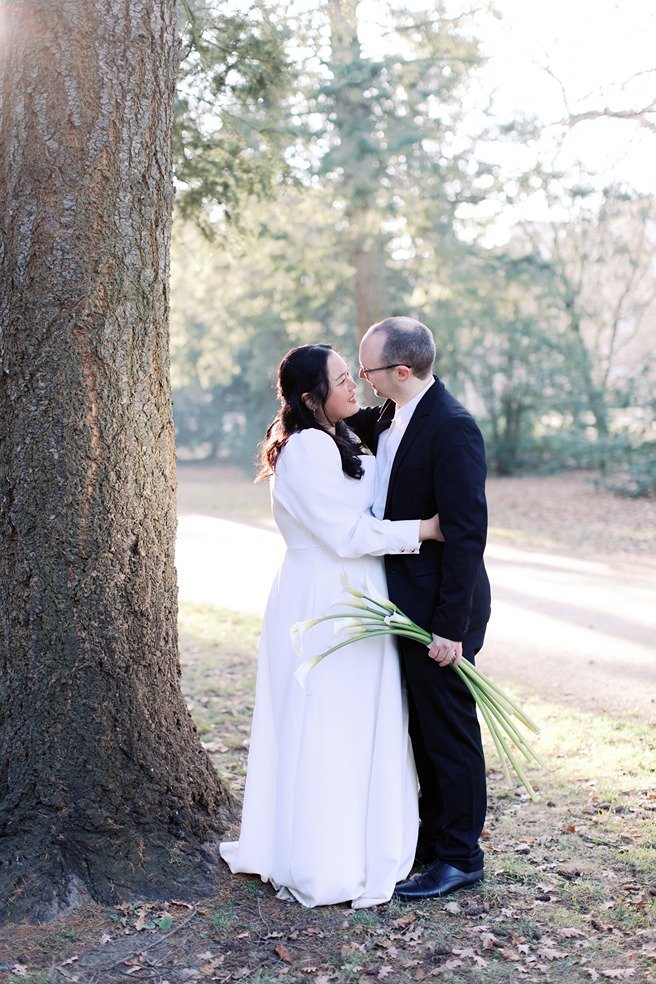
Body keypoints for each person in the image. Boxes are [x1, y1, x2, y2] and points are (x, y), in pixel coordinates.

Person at [219, 343, 444, 908]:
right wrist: (425, 530)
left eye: (352, 375)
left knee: (363, 719)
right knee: (326, 722)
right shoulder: (303, 452)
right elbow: (344, 534)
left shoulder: (344, 439)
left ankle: (368, 845)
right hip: (322, 598)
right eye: (342, 380)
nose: (353, 387)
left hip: (361, 592)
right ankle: (324, 856)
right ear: (310, 397)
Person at [349, 316, 491, 900]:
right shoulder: (390, 413)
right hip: (401, 602)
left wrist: (450, 629)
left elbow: (466, 534)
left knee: (449, 733)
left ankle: (461, 858)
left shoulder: (452, 427)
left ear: (401, 371)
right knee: (423, 733)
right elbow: (334, 421)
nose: (362, 381)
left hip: (439, 611)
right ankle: (432, 845)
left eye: (368, 371)